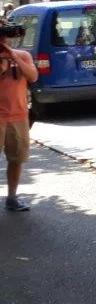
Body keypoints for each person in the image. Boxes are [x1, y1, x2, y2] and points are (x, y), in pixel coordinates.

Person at [0, 16, 38, 212]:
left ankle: (12, 197)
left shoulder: (22, 55)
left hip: (18, 116)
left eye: (4, 32)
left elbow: (33, 76)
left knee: (17, 158)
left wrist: (13, 58)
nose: (4, 38)